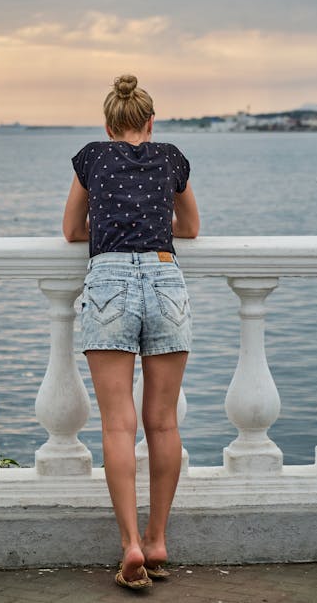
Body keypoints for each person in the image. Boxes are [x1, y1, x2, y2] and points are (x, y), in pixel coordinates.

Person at [63, 74, 200, 590]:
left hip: (110, 280)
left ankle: (131, 547)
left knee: (119, 425)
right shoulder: (172, 158)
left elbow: (72, 231)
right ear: (150, 120)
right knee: (162, 422)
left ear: (108, 123)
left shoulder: (92, 157)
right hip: (166, 276)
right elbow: (190, 228)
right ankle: (159, 540)